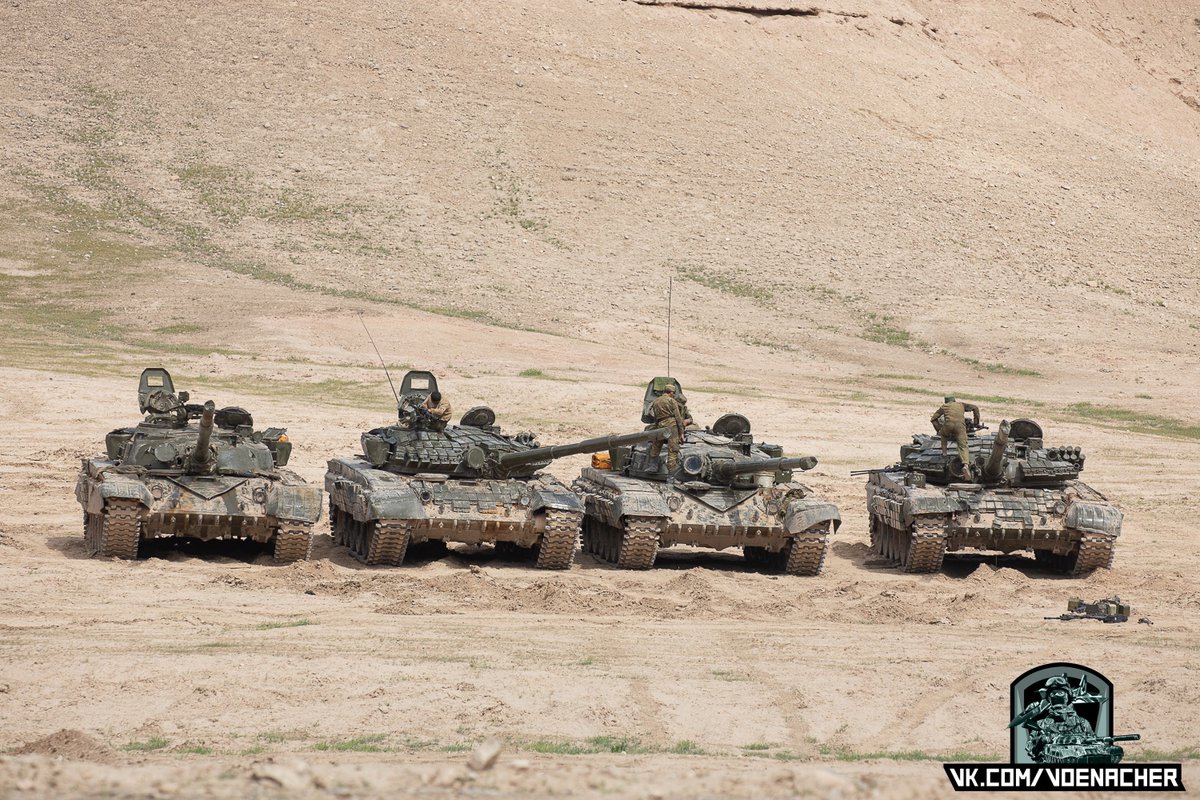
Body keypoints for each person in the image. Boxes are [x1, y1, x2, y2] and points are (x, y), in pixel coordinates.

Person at [930, 396, 980, 480]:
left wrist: (939, 429)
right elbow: (975, 408)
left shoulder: (944, 406)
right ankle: (966, 465)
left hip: (948, 426)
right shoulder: (961, 405)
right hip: (960, 427)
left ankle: (944, 453)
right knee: (963, 446)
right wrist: (976, 423)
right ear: (954, 400)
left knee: (944, 436)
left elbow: (933, 419)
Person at [647, 383, 690, 471]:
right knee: (673, 450)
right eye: (673, 393)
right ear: (671, 392)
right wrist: (681, 432)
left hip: (660, 425)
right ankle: (671, 472)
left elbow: (655, 417)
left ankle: (652, 467)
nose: (673, 395)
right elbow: (678, 417)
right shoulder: (672, 401)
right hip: (672, 426)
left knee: (656, 446)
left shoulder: (656, 401)